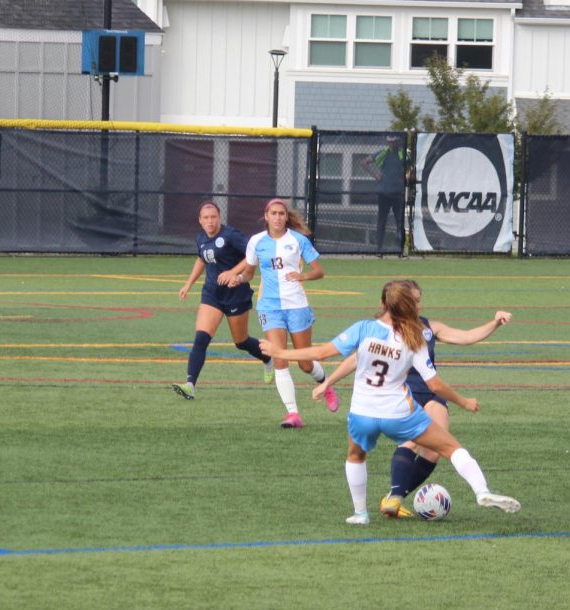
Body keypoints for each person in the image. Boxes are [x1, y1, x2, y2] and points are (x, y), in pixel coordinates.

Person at [260, 280, 521, 524]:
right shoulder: (414, 337)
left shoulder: (363, 328)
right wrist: (463, 402)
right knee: (450, 447)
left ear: (383, 304)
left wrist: (280, 352)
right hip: (398, 413)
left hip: (363, 412)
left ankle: (360, 514)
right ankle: (481, 490)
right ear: (409, 305)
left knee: (355, 455)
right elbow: (435, 384)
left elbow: (321, 352)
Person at [220, 198, 338, 428]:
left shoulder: (298, 240)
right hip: (269, 306)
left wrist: (302, 276)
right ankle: (293, 414)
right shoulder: (256, 242)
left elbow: (319, 271)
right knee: (280, 357)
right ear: (266, 216)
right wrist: (239, 278)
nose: (277, 217)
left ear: (286, 217)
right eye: (273, 213)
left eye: (281, 213)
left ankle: (326, 384)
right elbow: (250, 273)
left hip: (296, 305)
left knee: (304, 362)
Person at [171, 202, 273, 400]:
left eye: (213, 217)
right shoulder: (200, 238)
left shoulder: (231, 236)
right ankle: (190, 384)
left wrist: (233, 272)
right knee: (201, 338)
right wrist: (188, 284)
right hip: (212, 294)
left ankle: (267, 356)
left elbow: (253, 256)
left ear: (219, 217)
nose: (210, 221)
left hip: (236, 293)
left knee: (241, 341)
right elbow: (202, 259)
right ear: (200, 221)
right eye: (206, 218)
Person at [360, 133, 407, 255]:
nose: (392, 144)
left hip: (398, 193)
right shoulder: (383, 153)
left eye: (394, 141)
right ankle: (379, 249)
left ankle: (400, 249)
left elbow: (412, 166)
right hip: (384, 192)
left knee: (399, 222)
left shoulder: (404, 154)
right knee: (382, 221)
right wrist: (375, 175)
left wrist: (407, 175)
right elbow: (364, 162)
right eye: (390, 142)